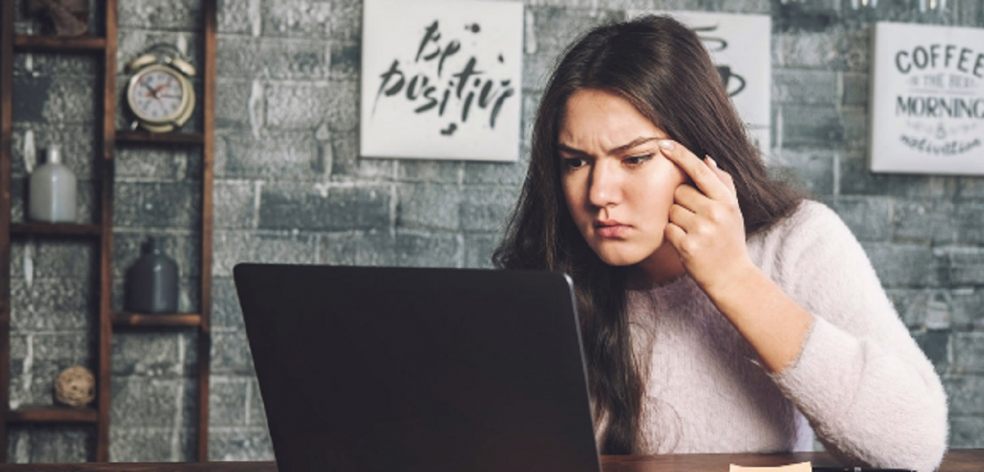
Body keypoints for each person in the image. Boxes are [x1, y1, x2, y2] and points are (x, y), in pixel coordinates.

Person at [493, 14, 947, 472]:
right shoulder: (551, 271)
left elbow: (912, 445)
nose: (598, 193)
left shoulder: (796, 242)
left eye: (635, 158)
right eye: (576, 162)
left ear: (702, 154)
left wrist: (733, 278)